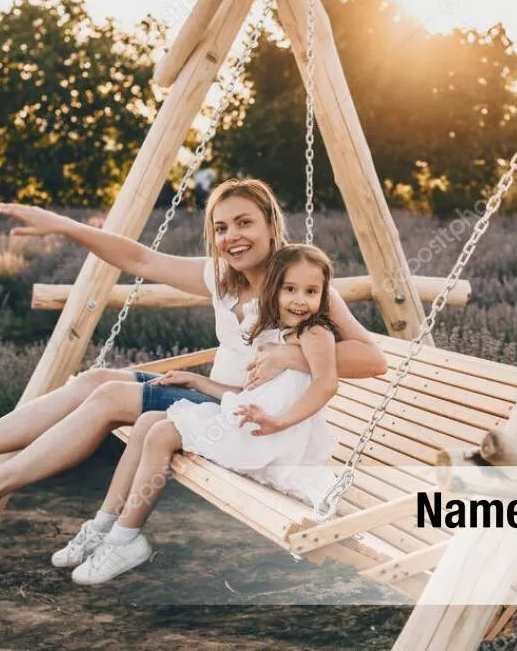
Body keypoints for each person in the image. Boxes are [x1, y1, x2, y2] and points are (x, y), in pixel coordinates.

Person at [0, 179, 386, 535]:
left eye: (245, 223)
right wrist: (66, 226)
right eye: (221, 227)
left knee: (111, 397)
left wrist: (288, 356)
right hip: (213, 398)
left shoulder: (299, 286)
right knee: (96, 380)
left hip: (237, 416)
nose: (232, 236)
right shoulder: (221, 277)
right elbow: (140, 260)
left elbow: (372, 359)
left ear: (270, 225)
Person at [67, 243, 340, 585]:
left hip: (273, 440)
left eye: (311, 291)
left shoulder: (315, 333)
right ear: (274, 290)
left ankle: (125, 538)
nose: (300, 300)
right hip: (255, 426)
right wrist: (197, 381)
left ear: (323, 295)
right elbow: (252, 395)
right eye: (290, 289)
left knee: (162, 432)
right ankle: (106, 525)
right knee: (150, 421)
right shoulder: (279, 335)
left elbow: (326, 385)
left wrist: (279, 422)